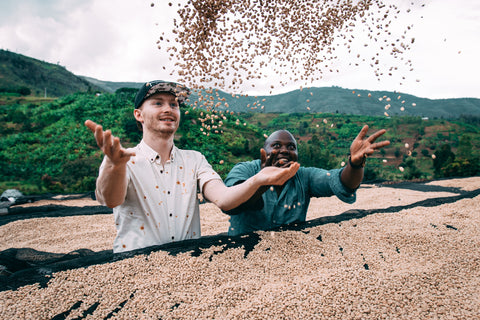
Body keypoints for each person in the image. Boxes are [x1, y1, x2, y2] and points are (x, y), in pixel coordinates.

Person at [85, 80, 299, 253]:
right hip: (134, 264)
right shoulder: (123, 159)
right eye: (158, 103)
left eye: (174, 104)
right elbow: (111, 200)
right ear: (138, 114)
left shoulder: (194, 160)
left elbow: (224, 197)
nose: (168, 109)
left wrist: (258, 179)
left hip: (187, 264)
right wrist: (114, 165)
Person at [224, 127, 390, 236]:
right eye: (276, 145)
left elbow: (342, 182)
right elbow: (231, 203)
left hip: (291, 253)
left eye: (291, 147)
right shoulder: (244, 170)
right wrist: (261, 183)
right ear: (264, 150)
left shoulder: (303, 176)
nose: (284, 150)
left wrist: (354, 164)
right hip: (242, 249)